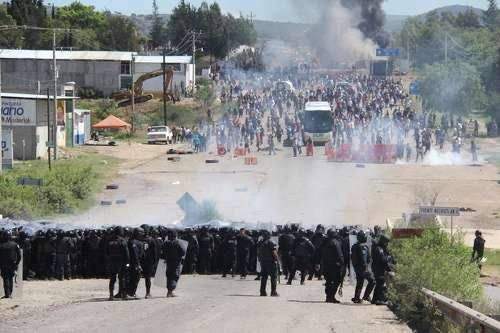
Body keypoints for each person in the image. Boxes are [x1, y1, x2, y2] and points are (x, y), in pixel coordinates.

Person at [105, 227, 130, 301]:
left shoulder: (109, 241)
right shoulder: (123, 241)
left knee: (112, 279)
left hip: (112, 262)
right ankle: (123, 295)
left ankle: (111, 295)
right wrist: (127, 262)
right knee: (122, 278)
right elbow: (127, 253)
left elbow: (106, 253)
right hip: (121, 262)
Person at [351, 230, 375, 304]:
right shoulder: (363, 246)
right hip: (362, 268)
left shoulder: (355, 245)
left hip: (357, 268)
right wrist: (366, 268)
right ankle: (366, 296)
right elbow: (364, 259)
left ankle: (356, 298)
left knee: (360, 282)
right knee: (372, 281)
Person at [321, 229, 344, 303]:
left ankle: (328, 297)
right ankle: (331, 296)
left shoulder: (324, 242)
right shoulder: (335, 242)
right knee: (336, 281)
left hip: (325, 265)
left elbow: (319, 251)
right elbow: (339, 254)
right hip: (334, 265)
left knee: (328, 281)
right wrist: (342, 263)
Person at [162, 230, 187, 298]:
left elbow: (163, 251)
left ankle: (170, 292)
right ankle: (170, 292)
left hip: (168, 261)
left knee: (169, 276)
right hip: (176, 262)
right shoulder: (178, 242)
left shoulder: (166, 243)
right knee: (175, 276)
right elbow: (183, 252)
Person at [371, 234, 392, 305]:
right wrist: (389, 258)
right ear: (383, 242)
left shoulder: (379, 248)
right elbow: (383, 260)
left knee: (378, 284)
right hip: (378, 269)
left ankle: (374, 299)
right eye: (386, 242)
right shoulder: (380, 249)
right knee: (380, 284)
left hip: (377, 268)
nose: (387, 244)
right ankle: (380, 300)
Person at [0, 230, 21, 298]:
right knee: (11, 278)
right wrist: (17, 263)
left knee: (5, 278)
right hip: (12, 264)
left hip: (3, 264)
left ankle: (7, 294)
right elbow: (19, 255)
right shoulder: (15, 244)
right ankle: (10, 293)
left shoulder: (1, 245)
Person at [257, 230, 279, 297]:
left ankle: (262, 292)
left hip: (263, 262)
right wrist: (277, 260)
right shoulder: (271, 242)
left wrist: (260, 259)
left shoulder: (260, 242)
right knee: (274, 277)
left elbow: (258, 252)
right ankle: (273, 292)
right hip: (271, 262)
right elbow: (274, 253)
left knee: (264, 277)